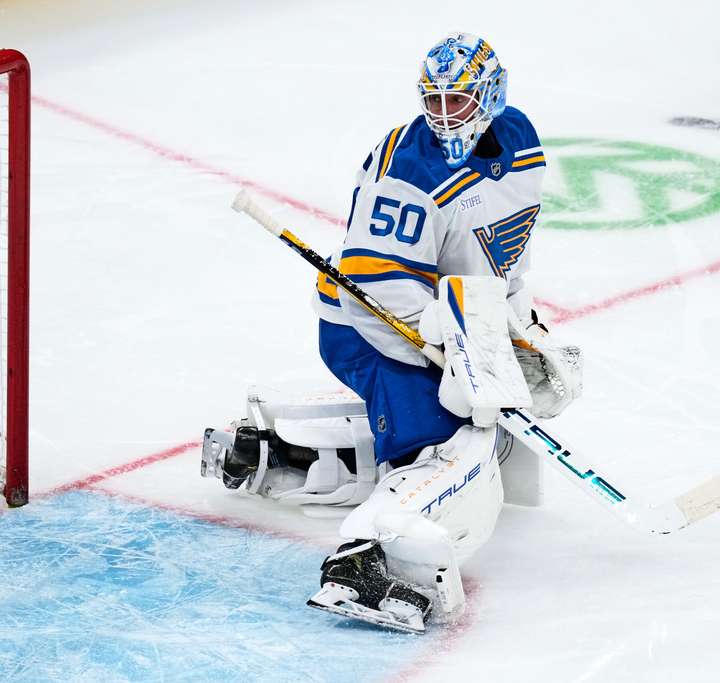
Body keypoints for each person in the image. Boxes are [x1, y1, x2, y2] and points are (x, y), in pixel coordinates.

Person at [202, 31, 581, 633]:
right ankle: (368, 557)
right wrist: (456, 355)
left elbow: (505, 253)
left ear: (491, 96)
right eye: (433, 100)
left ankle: (282, 450)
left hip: (451, 319)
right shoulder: (405, 173)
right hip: (368, 328)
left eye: (457, 101)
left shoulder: (520, 141)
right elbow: (378, 292)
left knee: (486, 421)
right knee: (450, 440)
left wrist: (513, 326)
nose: (443, 115)